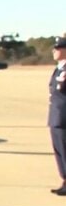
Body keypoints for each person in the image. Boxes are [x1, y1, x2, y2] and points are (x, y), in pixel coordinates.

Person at [49, 36, 66, 195]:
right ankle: (64, 180)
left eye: (58, 48)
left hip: (64, 117)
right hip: (56, 116)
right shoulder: (59, 68)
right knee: (59, 151)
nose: (54, 51)